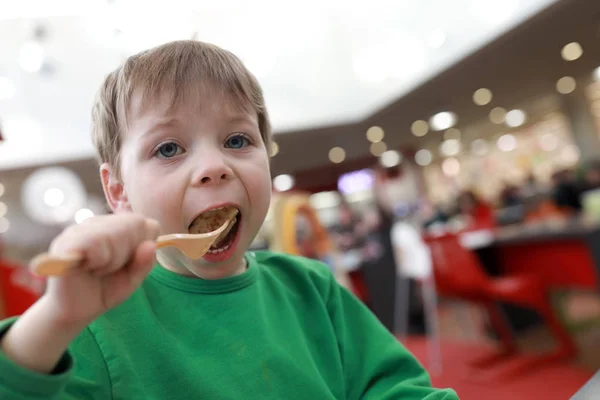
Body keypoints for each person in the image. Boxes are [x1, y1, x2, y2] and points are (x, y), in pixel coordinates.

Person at [0, 41, 457, 399]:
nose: (214, 166)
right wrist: (57, 319)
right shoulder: (96, 321)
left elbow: (396, 388)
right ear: (118, 191)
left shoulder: (311, 291)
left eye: (237, 140)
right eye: (168, 148)